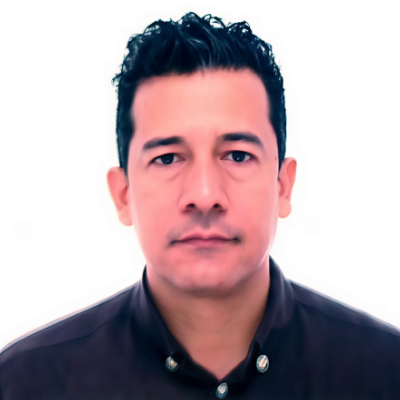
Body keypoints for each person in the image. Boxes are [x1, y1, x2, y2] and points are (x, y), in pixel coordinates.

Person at [0, 11, 399, 400]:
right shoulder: (26, 383)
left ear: (283, 185)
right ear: (123, 194)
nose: (205, 195)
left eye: (238, 155)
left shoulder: (384, 370)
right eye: (167, 158)